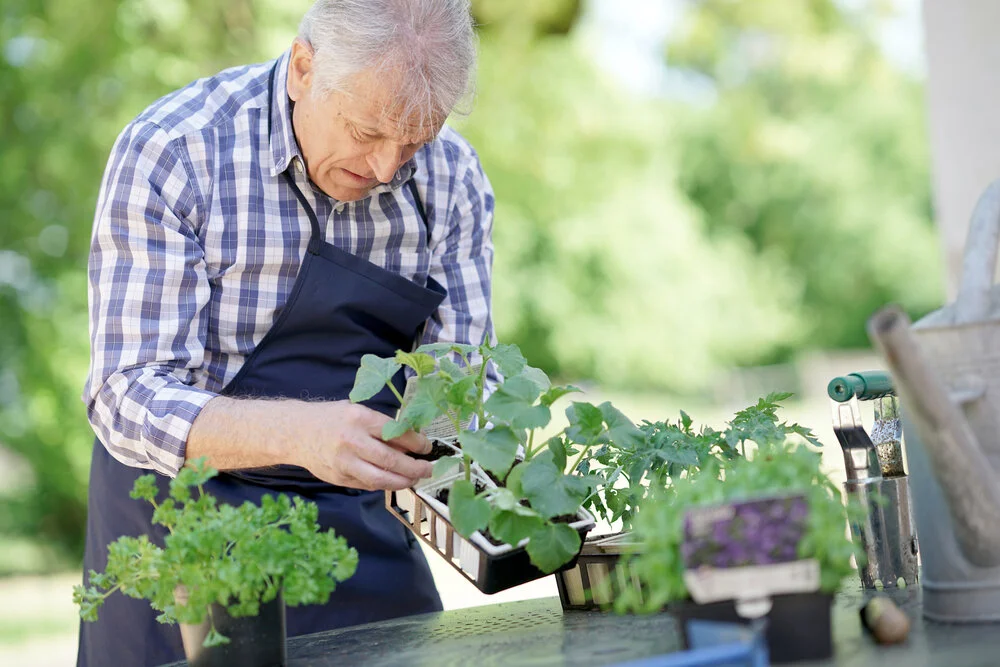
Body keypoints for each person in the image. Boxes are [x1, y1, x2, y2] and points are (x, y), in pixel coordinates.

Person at [77, 1, 496, 664]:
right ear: (304, 67)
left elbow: (464, 380)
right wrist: (302, 434)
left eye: (413, 142)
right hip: (189, 556)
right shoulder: (177, 151)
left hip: (360, 538)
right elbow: (123, 393)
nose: (388, 167)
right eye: (367, 131)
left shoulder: (454, 180)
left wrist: (453, 437)